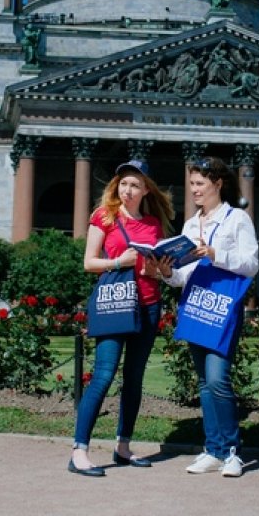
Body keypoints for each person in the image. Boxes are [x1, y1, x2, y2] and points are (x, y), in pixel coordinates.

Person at [69, 159, 175, 477]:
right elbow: (89, 262)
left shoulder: (154, 224)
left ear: (145, 190)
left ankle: (123, 447)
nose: (127, 190)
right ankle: (79, 452)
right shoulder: (104, 217)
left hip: (148, 305)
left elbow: (151, 270)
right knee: (102, 375)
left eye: (134, 184)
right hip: (115, 303)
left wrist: (164, 269)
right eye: (123, 184)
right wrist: (118, 262)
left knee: (134, 380)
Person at [156, 156, 259, 477]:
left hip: (223, 308)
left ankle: (231, 452)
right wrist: (166, 271)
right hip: (195, 305)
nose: (194, 190)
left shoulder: (237, 219)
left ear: (218, 184)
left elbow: (251, 264)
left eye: (200, 184)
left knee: (217, 378)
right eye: (192, 184)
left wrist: (216, 254)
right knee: (203, 383)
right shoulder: (189, 225)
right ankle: (212, 449)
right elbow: (183, 277)